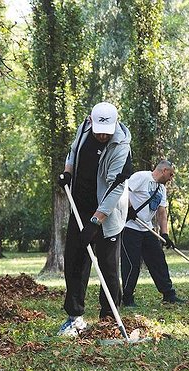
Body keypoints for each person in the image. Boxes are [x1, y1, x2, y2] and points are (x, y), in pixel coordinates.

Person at [57, 101, 132, 336]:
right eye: (99, 130)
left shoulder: (121, 146)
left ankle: (109, 319)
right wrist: (68, 173)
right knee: (75, 261)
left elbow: (116, 189)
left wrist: (95, 221)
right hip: (79, 206)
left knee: (108, 266)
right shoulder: (85, 127)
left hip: (108, 213)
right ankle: (75, 317)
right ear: (91, 120)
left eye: (106, 132)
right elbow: (73, 150)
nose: (102, 135)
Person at [121, 160, 183, 307]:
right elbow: (123, 190)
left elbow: (162, 212)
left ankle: (169, 294)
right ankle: (127, 297)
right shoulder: (142, 177)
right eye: (171, 174)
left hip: (147, 229)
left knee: (158, 261)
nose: (171, 178)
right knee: (132, 264)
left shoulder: (162, 189)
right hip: (130, 228)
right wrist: (128, 209)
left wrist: (165, 234)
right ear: (164, 170)